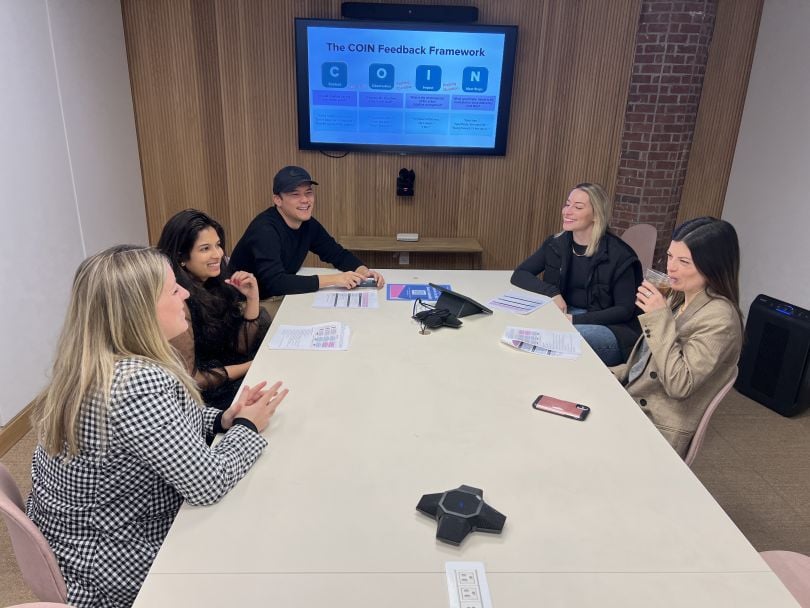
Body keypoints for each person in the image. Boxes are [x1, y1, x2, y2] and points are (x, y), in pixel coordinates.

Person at [27, 245, 288, 608]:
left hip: (79, 545)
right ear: (139, 311)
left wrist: (224, 418)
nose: (184, 293)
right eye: (171, 289)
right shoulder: (135, 382)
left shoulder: (95, 362)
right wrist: (246, 425)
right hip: (109, 567)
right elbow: (208, 483)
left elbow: (169, 424)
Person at [611, 217, 743, 457]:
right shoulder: (678, 297)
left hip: (655, 427)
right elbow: (644, 364)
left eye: (684, 261)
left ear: (712, 267)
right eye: (670, 257)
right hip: (633, 399)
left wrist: (658, 318)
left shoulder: (720, 318)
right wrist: (609, 373)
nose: (671, 268)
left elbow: (679, 384)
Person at [510, 182, 642, 365]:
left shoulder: (620, 255)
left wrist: (574, 319)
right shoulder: (556, 243)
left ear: (596, 215)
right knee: (522, 331)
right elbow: (520, 273)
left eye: (578, 207)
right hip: (569, 316)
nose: (567, 211)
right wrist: (552, 293)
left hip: (611, 328)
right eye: (567, 204)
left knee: (554, 340)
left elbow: (624, 310)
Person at [157, 209, 271, 409]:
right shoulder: (178, 302)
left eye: (218, 245)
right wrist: (251, 367)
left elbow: (241, 346)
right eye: (205, 249)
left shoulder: (213, 283)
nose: (218, 254)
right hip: (206, 399)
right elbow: (191, 380)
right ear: (181, 257)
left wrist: (252, 298)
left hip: (229, 371)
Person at [229, 165, 385, 298]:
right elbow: (275, 283)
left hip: (280, 296)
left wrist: (363, 271)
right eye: (295, 194)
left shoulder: (307, 223)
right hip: (248, 303)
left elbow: (336, 253)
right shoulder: (264, 230)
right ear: (277, 200)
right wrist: (335, 279)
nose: (305, 200)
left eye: (308, 192)